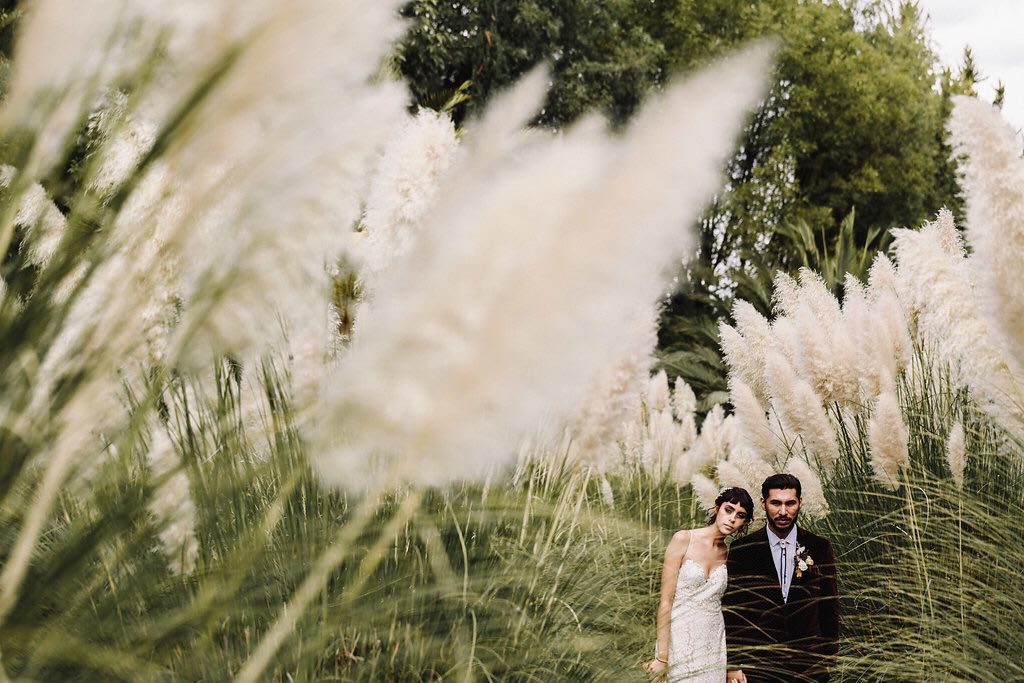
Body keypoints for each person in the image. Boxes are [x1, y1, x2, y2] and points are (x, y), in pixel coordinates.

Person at [723, 473, 839, 683]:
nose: (783, 511)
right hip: (758, 667)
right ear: (763, 503)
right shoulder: (742, 550)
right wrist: (733, 664)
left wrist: (829, 657)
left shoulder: (820, 547)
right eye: (775, 503)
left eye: (790, 503)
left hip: (810, 666)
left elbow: (830, 605)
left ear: (800, 502)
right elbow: (733, 611)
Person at [644, 487, 754, 682]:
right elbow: (665, 602)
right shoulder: (684, 539)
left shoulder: (731, 553)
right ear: (716, 509)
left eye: (740, 515)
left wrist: (731, 665)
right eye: (728, 510)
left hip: (713, 640)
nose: (732, 519)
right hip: (680, 637)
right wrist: (662, 657)